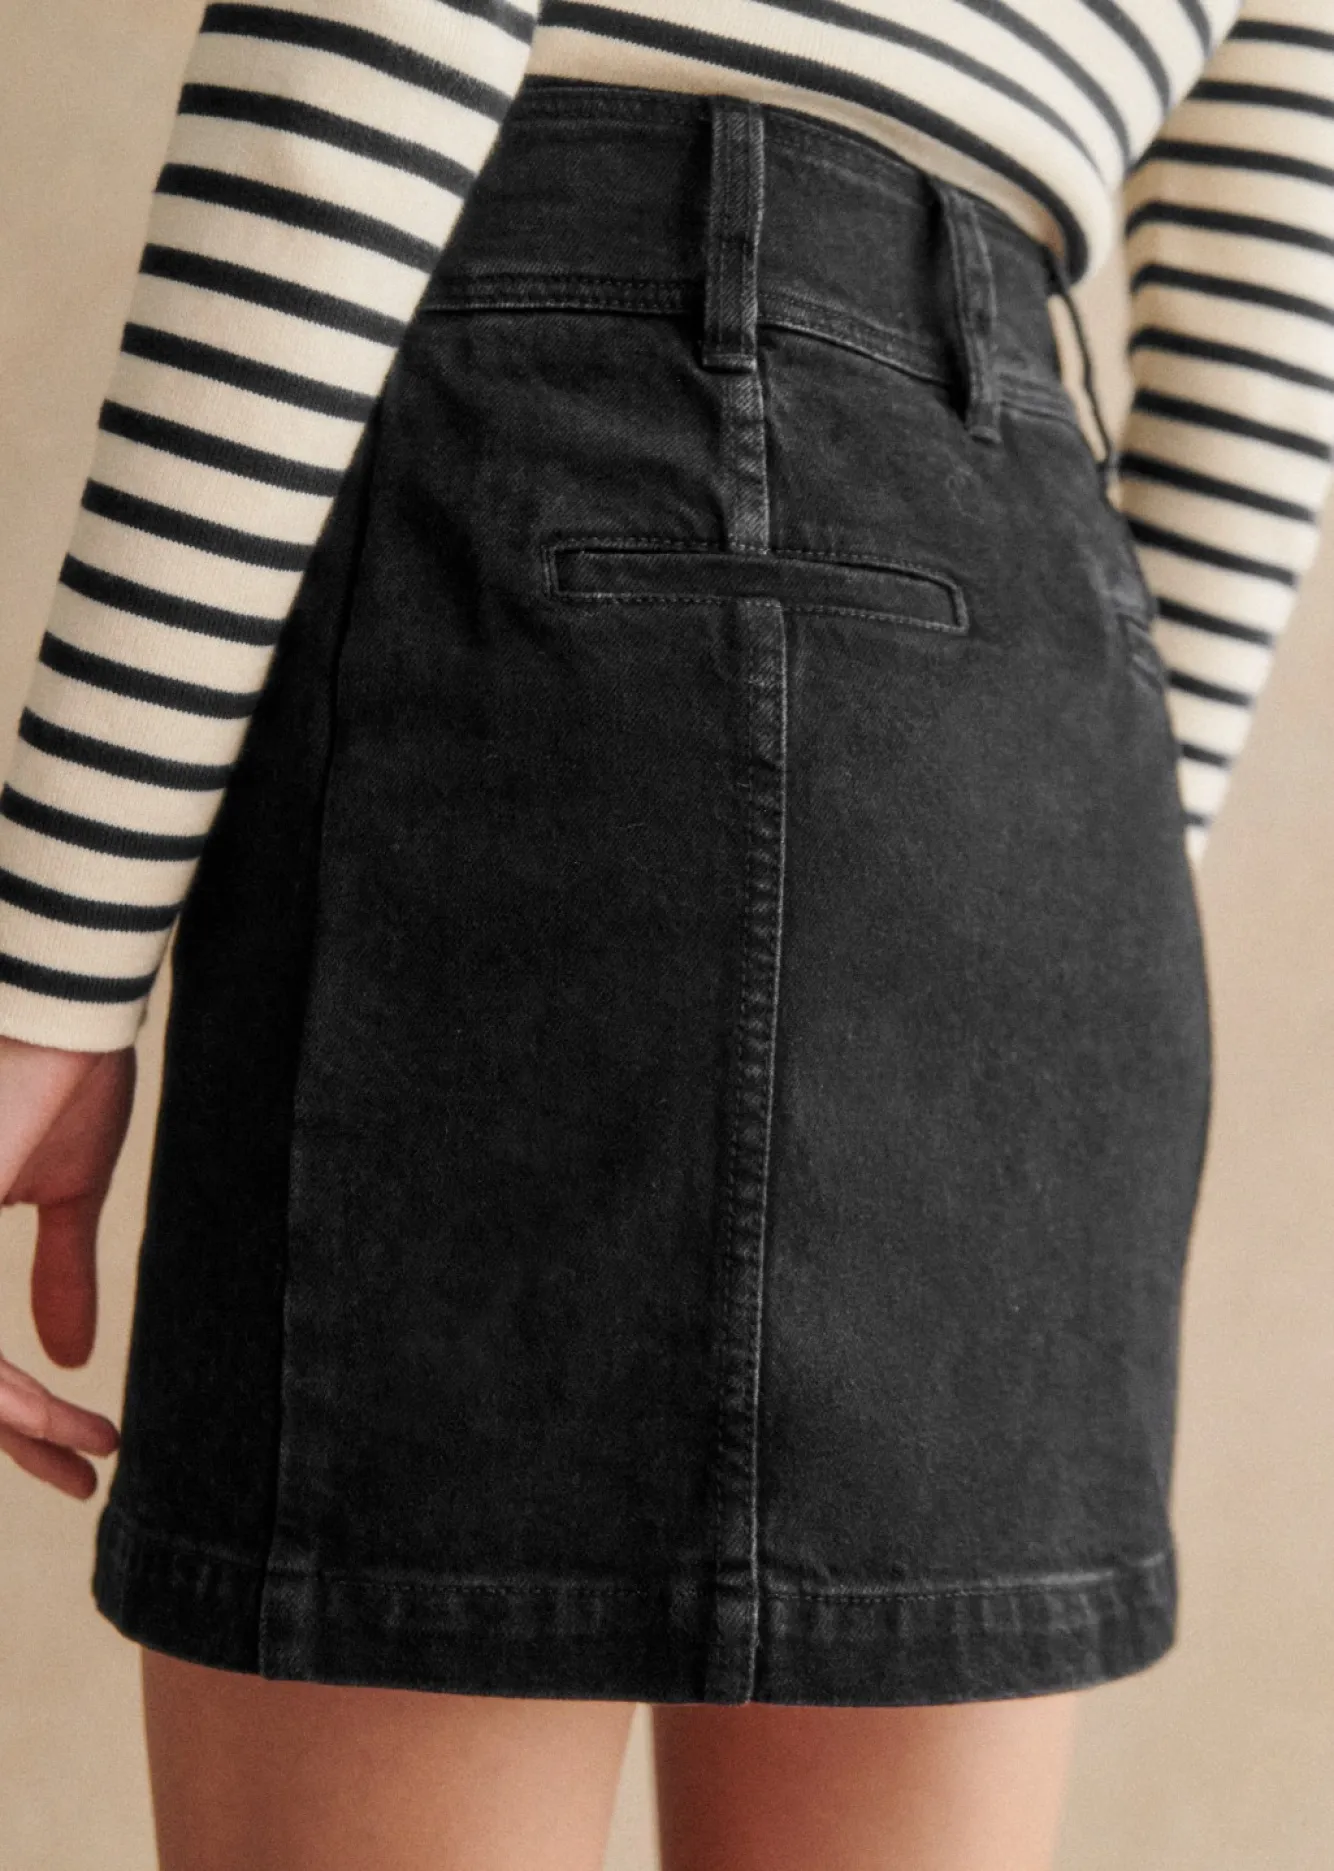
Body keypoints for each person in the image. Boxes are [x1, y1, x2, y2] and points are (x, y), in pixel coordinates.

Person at [0, 2, 1329, 1865]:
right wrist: (1039, 906)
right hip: (1019, 667)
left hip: (534, 512)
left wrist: (50, 964)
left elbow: (360, 74)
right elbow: (1269, 323)